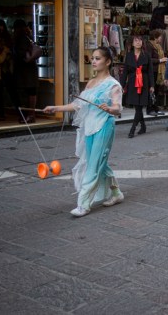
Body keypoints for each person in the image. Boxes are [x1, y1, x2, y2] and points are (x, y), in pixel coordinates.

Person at [43, 47, 124, 217]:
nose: (93, 61)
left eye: (98, 58)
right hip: (89, 127)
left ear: (107, 62)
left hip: (104, 126)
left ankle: (84, 203)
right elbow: (78, 105)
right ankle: (116, 193)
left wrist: (109, 108)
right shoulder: (90, 83)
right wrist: (55, 108)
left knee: (93, 165)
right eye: (93, 58)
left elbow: (118, 108)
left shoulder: (114, 84)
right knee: (99, 163)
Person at [121, 35, 154, 138]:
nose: (138, 42)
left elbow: (150, 71)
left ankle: (133, 129)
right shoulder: (129, 55)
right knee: (137, 106)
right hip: (132, 83)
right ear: (132, 43)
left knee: (139, 106)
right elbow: (125, 71)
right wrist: (121, 85)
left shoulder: (147, 55)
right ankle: (143, 126)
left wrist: (152, 85)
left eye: (140, 40)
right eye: (136, 40)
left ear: (142, 43)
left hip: (144, 83)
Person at [13, 19, 39, 123]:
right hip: (30, 71)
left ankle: (28, 116)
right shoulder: (29, 37)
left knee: (25, 94)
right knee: (31, 93)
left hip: (25, 72)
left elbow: (22, 55)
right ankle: (30, 115)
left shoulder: (21, 38)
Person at [0, 19, 19, 121]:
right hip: (2, 70)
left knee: (10, 92)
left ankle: (18, 112)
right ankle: (1, 113)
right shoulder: (1, 40)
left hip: (6, 69)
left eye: (1, 29)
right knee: (1, 93)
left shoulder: (6, 39)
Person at [146, 30, 167, 116]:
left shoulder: (158, 46)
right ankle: (150, 108)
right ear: (155, 37)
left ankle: (155, 108)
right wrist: (160, 60)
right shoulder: (149, 46)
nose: (161, 38)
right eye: (160, 36)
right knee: (152, 90)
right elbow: (148, 59)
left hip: (158, 71)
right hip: (153, 71)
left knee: (157, 90)